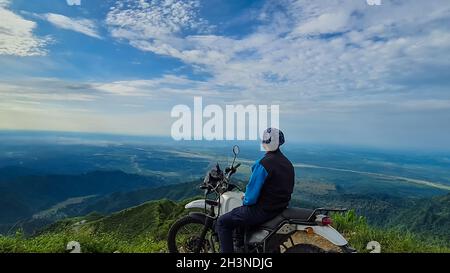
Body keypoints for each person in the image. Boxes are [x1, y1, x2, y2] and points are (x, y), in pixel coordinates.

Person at [215, 128, 295, 253]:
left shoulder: (263, 164)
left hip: (263, 210)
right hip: (280, 208)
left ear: (264, 142)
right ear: (280, 142)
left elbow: (251, 198)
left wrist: (245, 199)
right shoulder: (287, 163)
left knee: (222, 222)